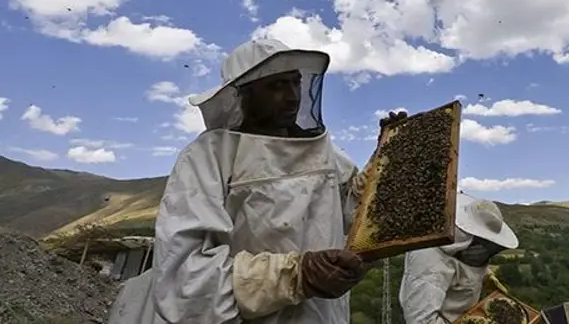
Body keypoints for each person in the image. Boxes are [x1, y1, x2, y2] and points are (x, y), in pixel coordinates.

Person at [107, 38, 406, 324]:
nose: (292, 96)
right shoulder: (209, 157)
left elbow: (352, 217)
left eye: (295, 82)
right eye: (276, 86)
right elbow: (186, 276)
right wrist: (296, 275)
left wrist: (385, 163)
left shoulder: (328, 155)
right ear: (243, 95)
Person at [399, 192, 519, 323]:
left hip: (465, 313)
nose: (484, 248)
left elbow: (470, 260)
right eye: (482, 241)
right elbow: (420, 320)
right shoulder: (428, 263)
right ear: (467, 236)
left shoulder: (463, 247)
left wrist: (486, 275)